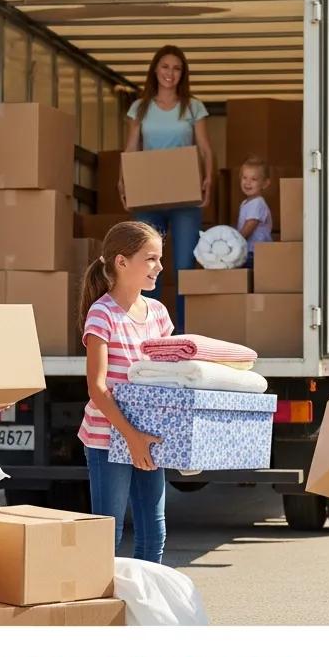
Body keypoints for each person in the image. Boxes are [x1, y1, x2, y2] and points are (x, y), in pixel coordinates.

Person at [78, 221, 174, 563]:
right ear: (121, 262)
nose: (159, 267)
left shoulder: (159, 313)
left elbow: (167, 377)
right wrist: (131, 437)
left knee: (154, 534)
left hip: (147, 437)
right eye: (150, 259)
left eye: (159, 259)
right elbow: (98, 387)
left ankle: (145, 610)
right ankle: (101, 609)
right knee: (109, 534)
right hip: (108, 438)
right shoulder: (102, 314)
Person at [119, 45, 215, 329]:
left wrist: (209, 178)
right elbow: (131, 148)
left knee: (184, 269)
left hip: (185, 197)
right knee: (145, 268)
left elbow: (206, 149)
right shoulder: (141, 107)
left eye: (176, 68)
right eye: (165, 67)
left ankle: (185, 334)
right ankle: (147, 332)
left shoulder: (193, 107)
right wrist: (123, 180)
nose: (170, 73)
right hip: (149, 195)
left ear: (182, 73)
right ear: (155, 70)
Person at [236, 156, 273, 268]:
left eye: (254, 179)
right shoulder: (245, 203)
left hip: (256, 252)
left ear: (265, 184)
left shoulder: (258, 203)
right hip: (248, 251)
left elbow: (249, 227)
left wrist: (232, 241)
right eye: (244, 178)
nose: (247, 182)